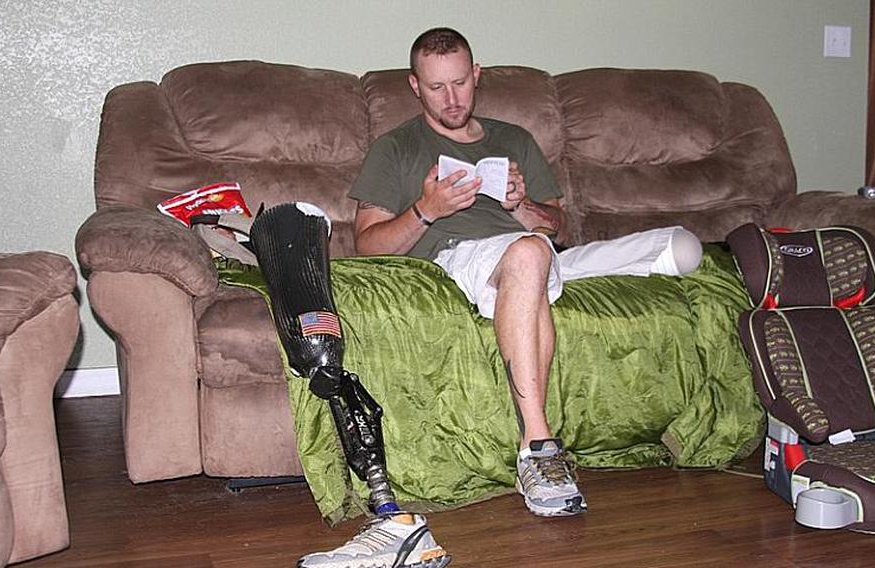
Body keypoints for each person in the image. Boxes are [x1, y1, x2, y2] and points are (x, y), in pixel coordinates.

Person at [299, 26, 702, 568]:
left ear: (477, 75)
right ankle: (538, 447)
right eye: (437, 88)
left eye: (461, 83)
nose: (452, 99)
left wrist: (522, 206)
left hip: (532, 250)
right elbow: (367, 244)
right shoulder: (395, 148)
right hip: (458, 259)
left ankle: (529, 281)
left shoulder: (514, 140)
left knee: (685, 249)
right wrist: (427, 210)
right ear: (415, 87)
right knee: (530, 256)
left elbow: (556, 226)